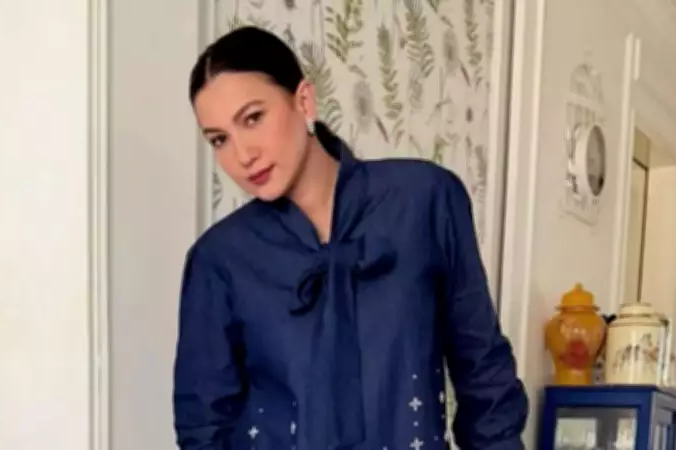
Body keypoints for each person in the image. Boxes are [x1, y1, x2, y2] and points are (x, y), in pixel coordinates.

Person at [173, 26, 529, 450]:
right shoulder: (220, 259)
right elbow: (204, 426)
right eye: (219, 140)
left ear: (304, 100)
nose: (243, 155)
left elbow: (484, 377)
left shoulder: (423, 202)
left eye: (253, 118)